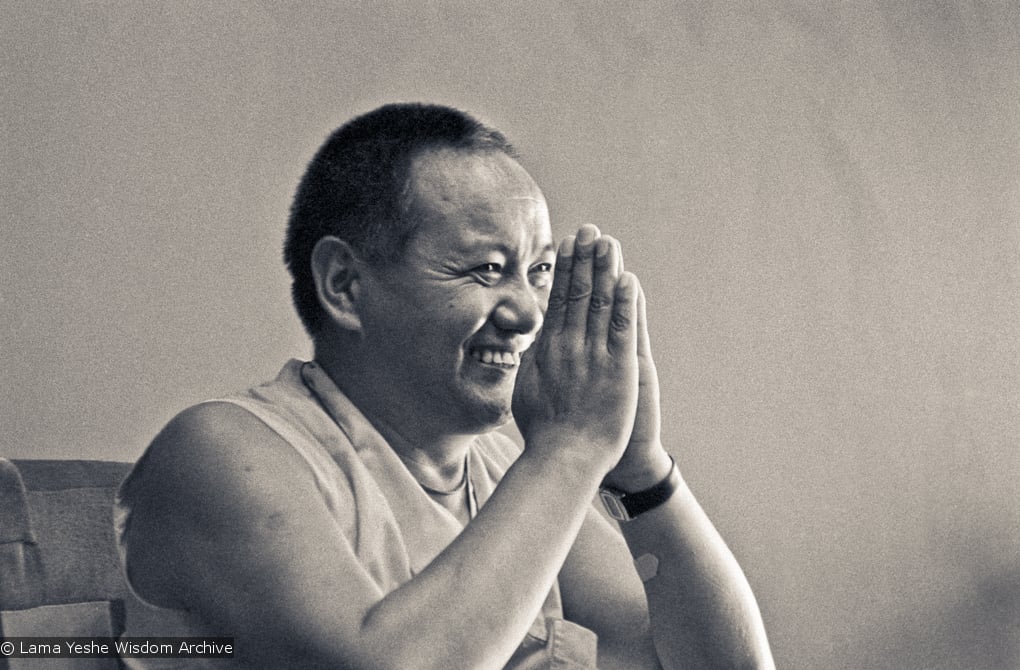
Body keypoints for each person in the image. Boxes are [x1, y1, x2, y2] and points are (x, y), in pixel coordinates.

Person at [116, 103, 775, 669]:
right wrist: (570, 451)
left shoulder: (505, 467)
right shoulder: (220, 449)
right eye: (487, 270)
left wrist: (640, 469)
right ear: (346, 285)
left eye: (539, 271)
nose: (527, 315)